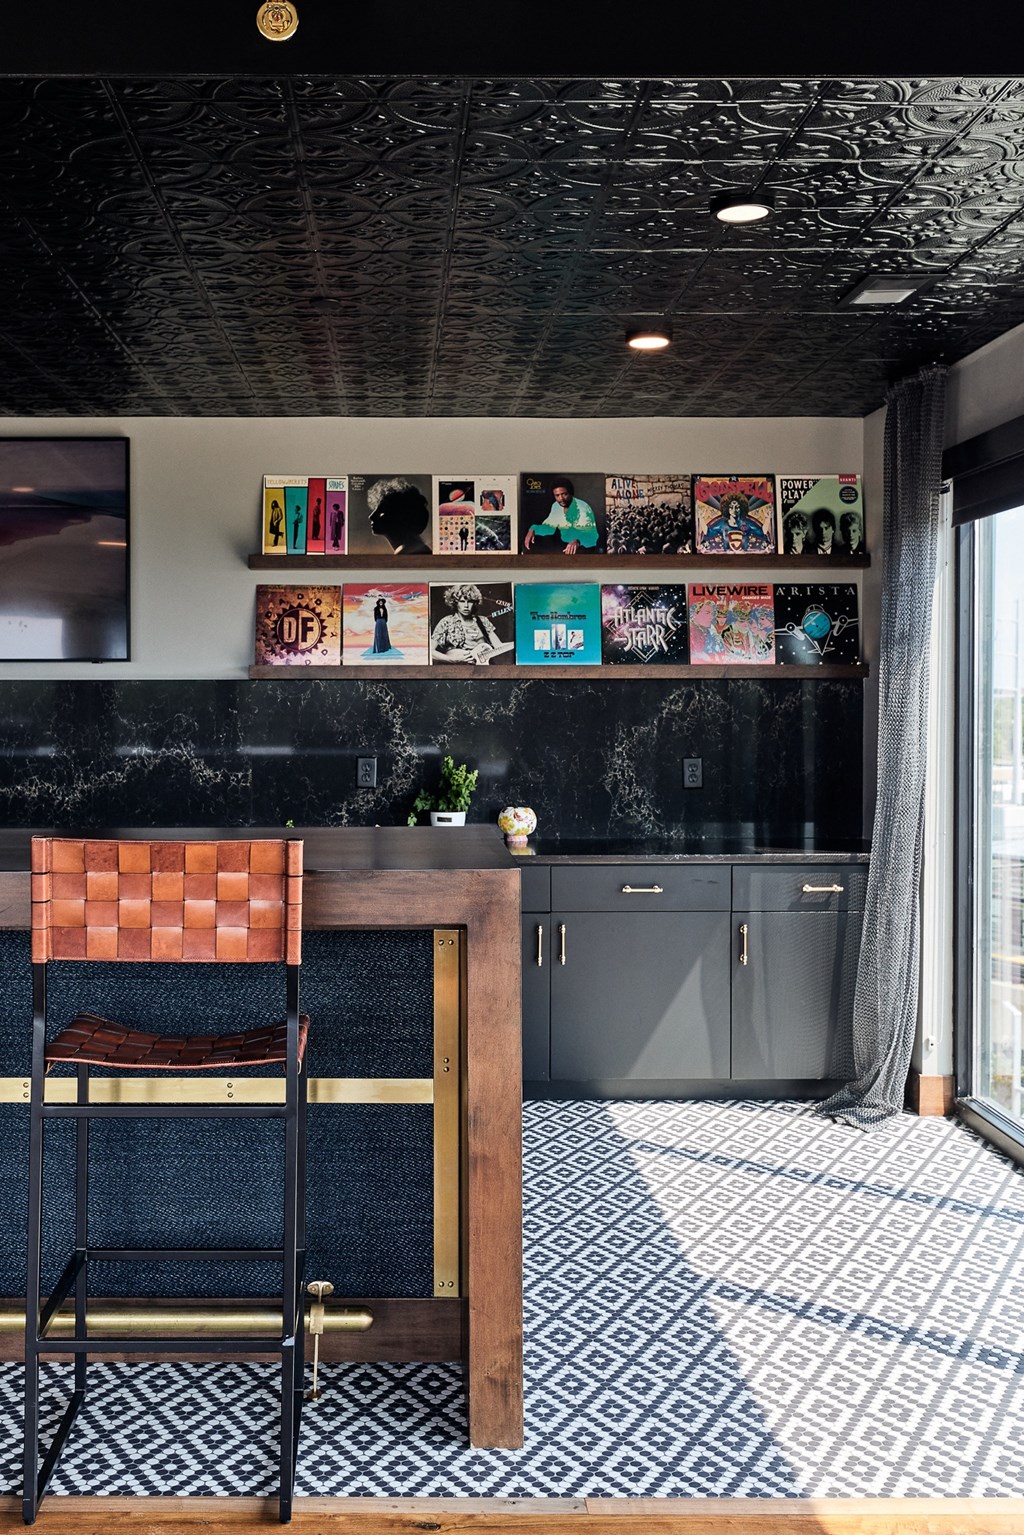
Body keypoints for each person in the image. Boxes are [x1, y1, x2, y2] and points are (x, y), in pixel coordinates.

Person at [430, 584, 509, 664]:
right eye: (462, 601)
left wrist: (516, 643)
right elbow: (430, 651)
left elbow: (498, 646)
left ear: (474, 603)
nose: (466, 606)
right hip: (456, 669)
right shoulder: (446, 622)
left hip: (481, 668)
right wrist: (451, 659)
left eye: (470, 601)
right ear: (455, 603)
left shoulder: (483, 621)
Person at [523, 477, 598, 554]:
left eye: (564, 494)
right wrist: (533, 529)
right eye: (557, 495)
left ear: (571, 493)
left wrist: (578, 541)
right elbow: (549, 528)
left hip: (585, 548)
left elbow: (592, 536)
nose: (561, 498)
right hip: (566, 547)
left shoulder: (583, 508)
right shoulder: (556, 506)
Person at [366, 477, 431, 555]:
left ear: (400, 516)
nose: (371, 516)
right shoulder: (415, 548)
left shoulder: (406, 552)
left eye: (382, 510)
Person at [701, 490, 770, 553]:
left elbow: (762, 532)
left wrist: (768, 518)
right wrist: (701, 517)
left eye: (737, 507)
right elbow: (707, 532)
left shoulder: (747, 523)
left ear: (741, 508)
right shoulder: (722, 524)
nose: (734, 510)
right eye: (731, 507)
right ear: (727, 509)